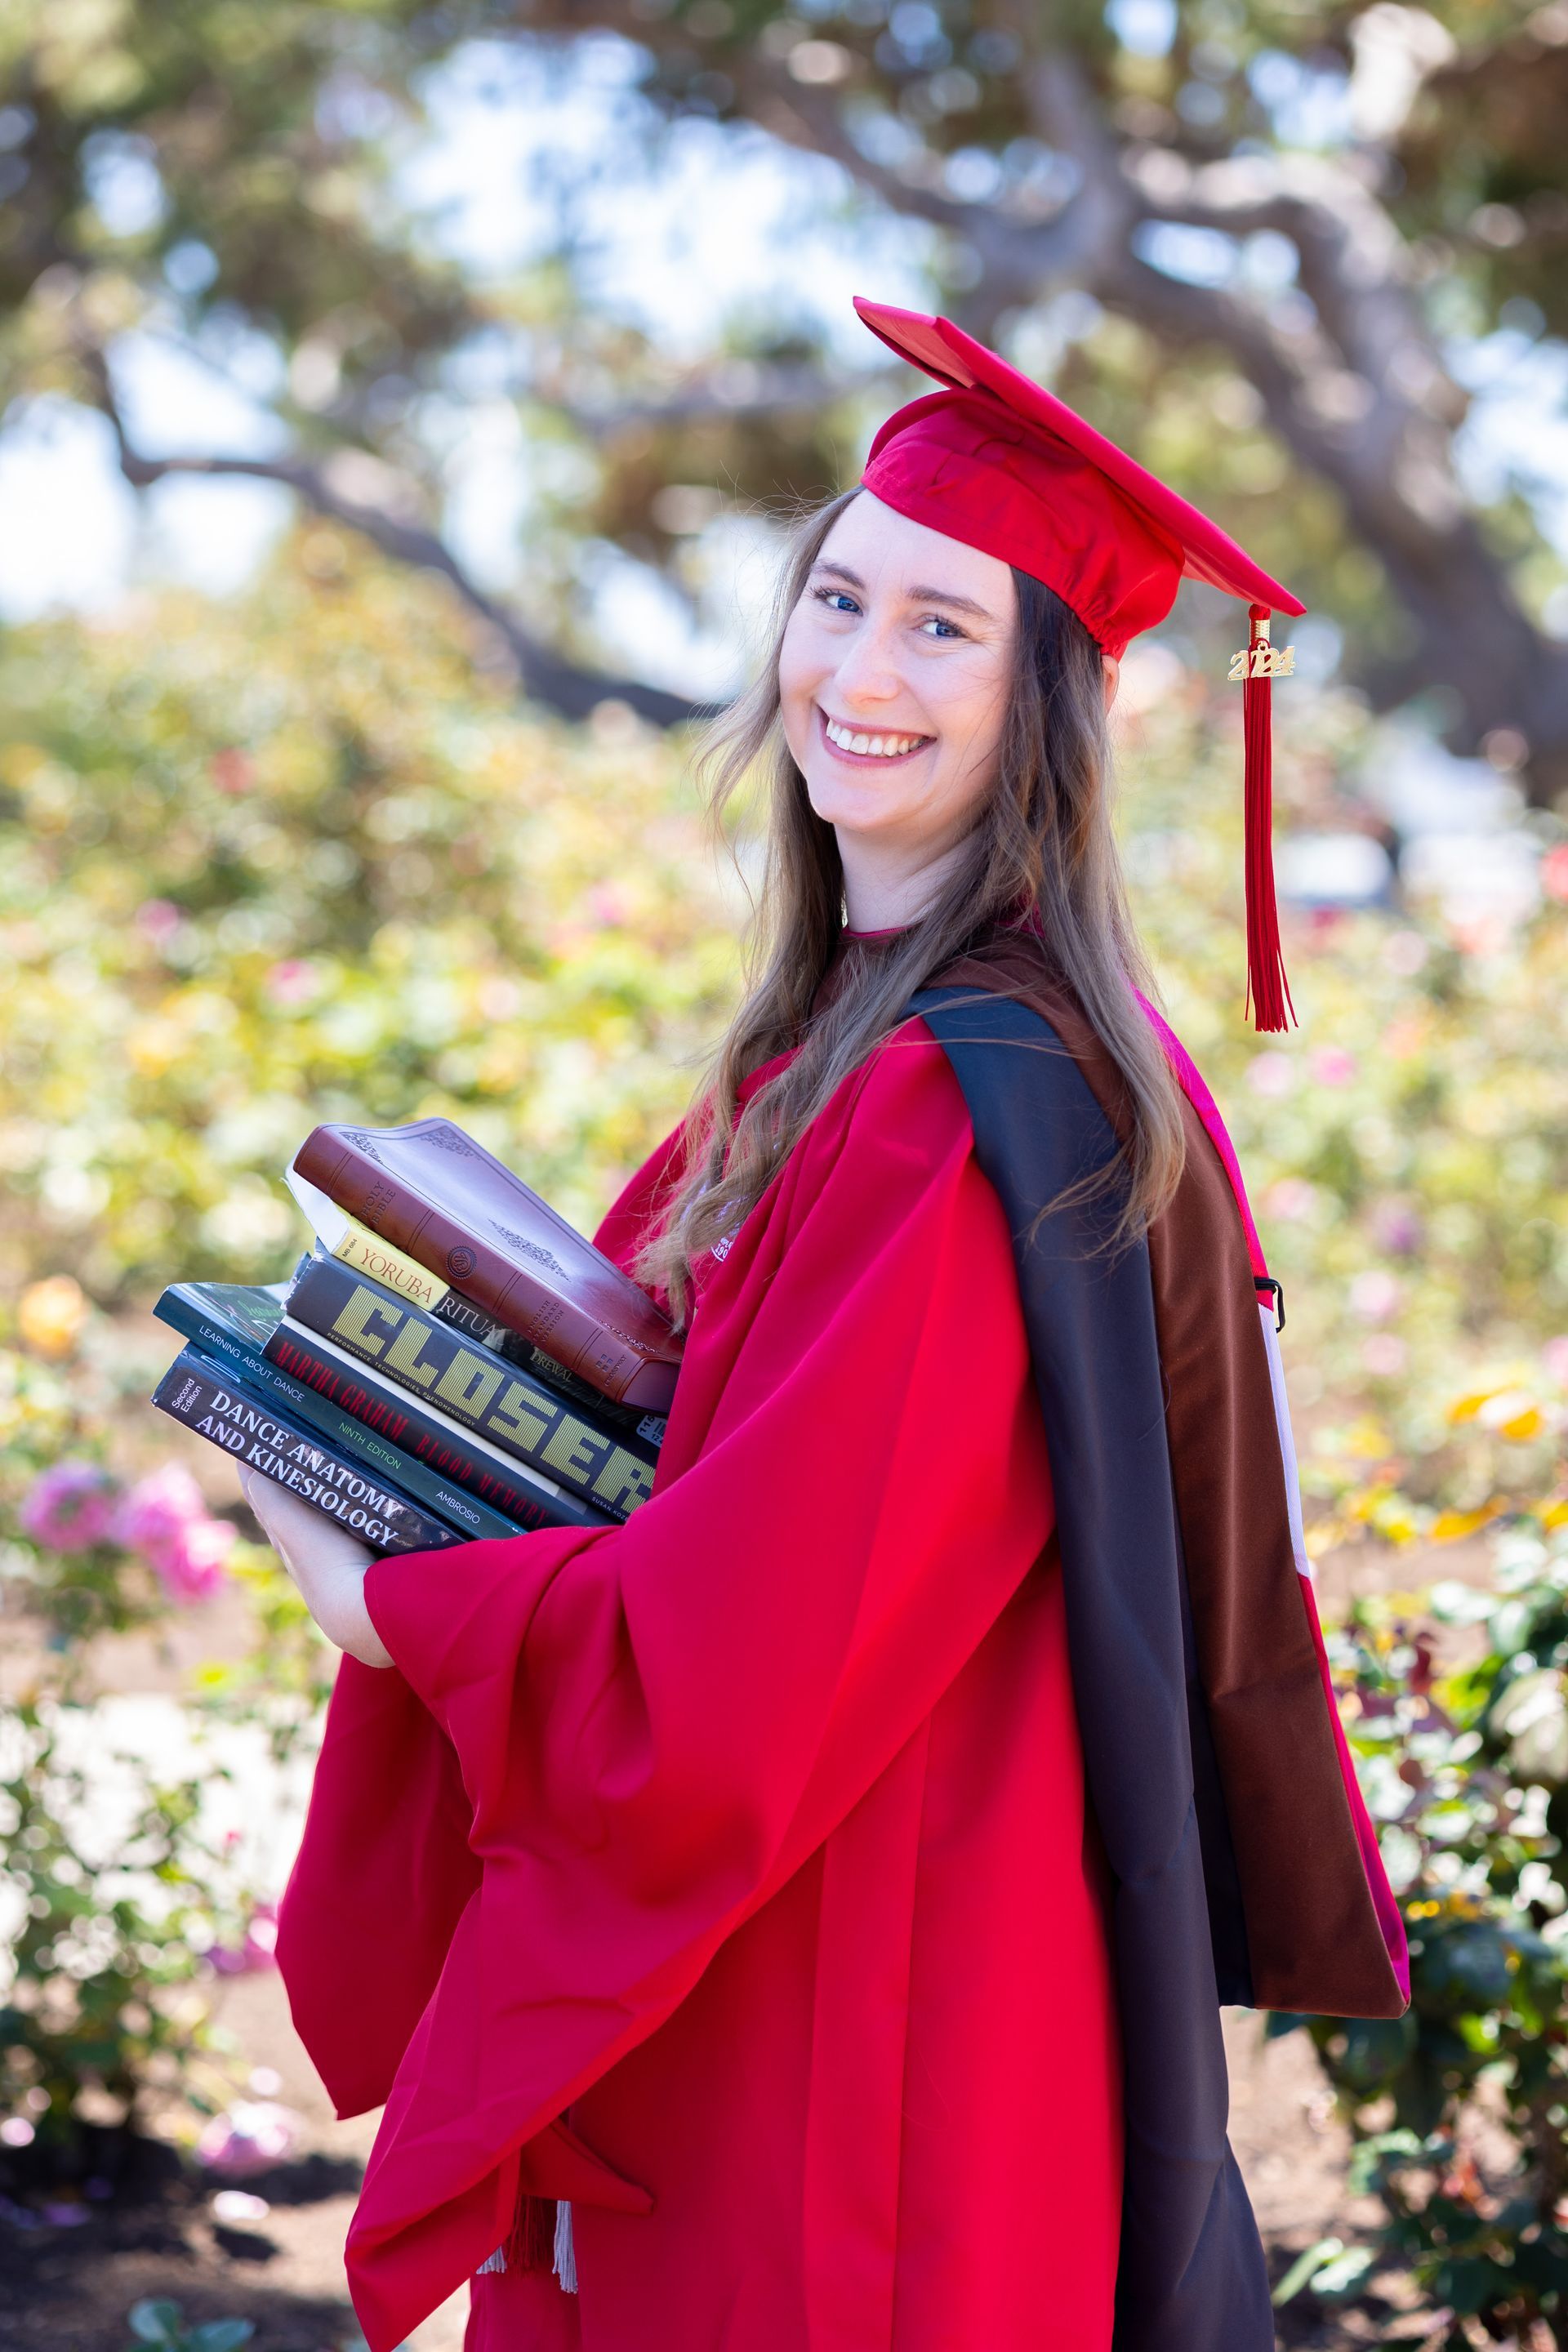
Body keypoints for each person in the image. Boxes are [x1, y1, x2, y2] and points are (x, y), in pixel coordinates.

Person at [244, 299, 1408, 2352]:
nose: (858, 675)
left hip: (863, 2030)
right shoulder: (846, 1054)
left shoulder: (970, 1101)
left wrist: (373, 1584)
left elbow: (742, 1666)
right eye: (840, 599)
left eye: (946, 630)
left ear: (1060, 701)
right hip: (837, 1967)